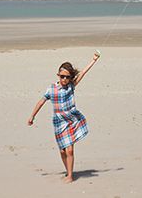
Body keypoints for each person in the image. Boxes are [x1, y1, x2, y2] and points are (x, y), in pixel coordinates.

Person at [27, 52, 100, 183]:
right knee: (62, 151)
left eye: (67, 77)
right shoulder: (51, 89)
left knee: (69, 150)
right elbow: (41, 102)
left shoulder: (71, 86)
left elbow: (83, 73)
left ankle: (70, 176)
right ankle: (68, 171)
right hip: (59, 122)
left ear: (70, 77)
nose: (65, 79)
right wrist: (32, 116)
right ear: (58, 75)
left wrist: (93, 60)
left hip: (71, 120)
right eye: (62, 76)